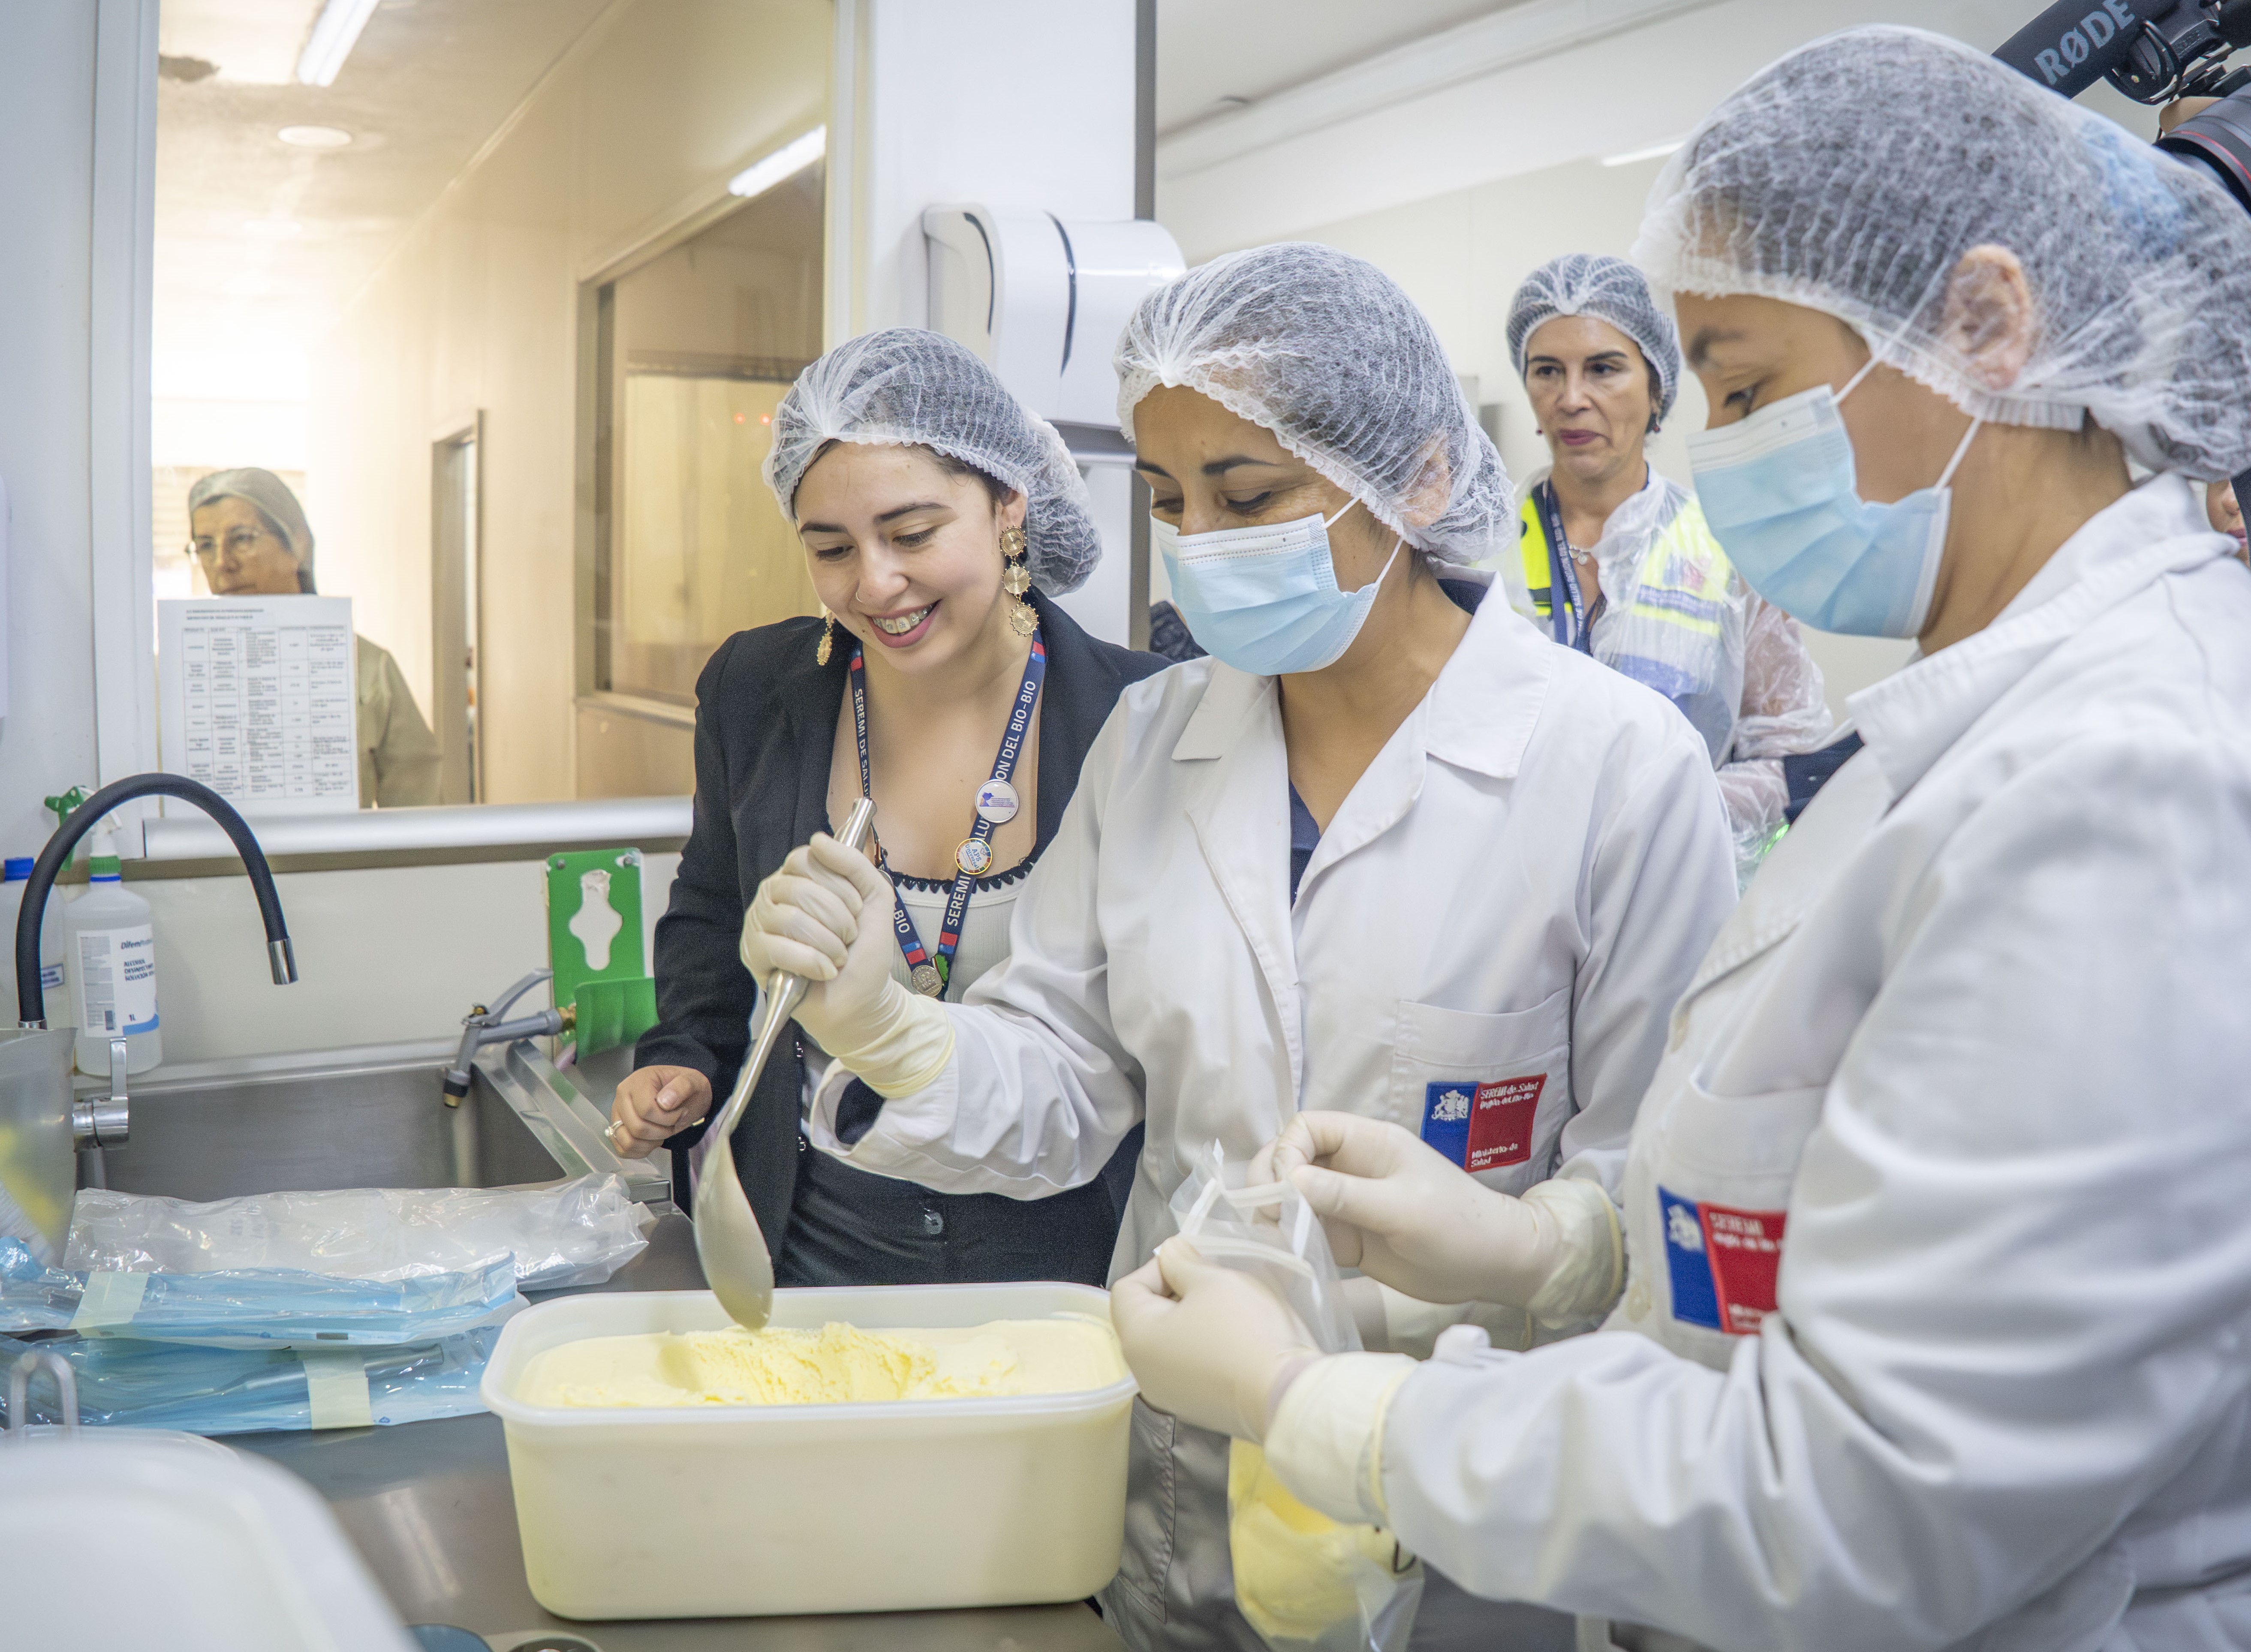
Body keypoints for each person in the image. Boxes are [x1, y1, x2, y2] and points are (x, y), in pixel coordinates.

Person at [1110, 27, 2251, 1652]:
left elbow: (1868, 1503)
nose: (1711, 449)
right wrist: (1552, 1248)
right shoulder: (1965, 736)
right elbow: (1823, 1225)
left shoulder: (2127, 782)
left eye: (1746, 386)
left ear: (1988, 326)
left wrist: (1322, 1407)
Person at [739, 245, 1736, 1649]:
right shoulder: (1156, 739)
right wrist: (888, 1029)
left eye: (1248, 496)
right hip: (1183, 1495)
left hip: (1466, 1503)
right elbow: (1065, 1080)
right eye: (1168, 500)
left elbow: (1662, 1200)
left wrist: (1532, 1242)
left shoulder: (1617, 770)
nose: (1200, 542)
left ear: (1419, 478)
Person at [608, 329, 1163, 1288]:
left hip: (1069, 1246)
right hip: (814, 1234)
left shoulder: (1140, 715)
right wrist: (687, 1052)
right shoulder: (757, 689)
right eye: (830, 548)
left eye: (912, 535)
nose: (873, 584)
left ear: (1008, 506)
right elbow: (712, 905)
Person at [1506, 254, 1831, 880]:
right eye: (1547, 370)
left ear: (1657, 388)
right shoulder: (1482, 546)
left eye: (1603, 369)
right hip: (1508, 892)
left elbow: (1789, 751)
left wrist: (1656, 810)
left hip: (1677, 888)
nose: (1571, 399)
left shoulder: (1727, 548)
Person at [187, 468, 441, 808]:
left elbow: (418, 808)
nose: (222, 563)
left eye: (243, 539)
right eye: (205, 546)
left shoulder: (367, 668)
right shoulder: (182, 676)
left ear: (298, 543)